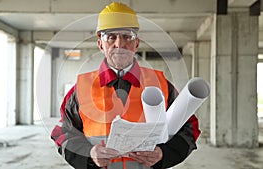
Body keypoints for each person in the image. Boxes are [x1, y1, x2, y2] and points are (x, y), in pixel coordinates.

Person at [51, 2, 200, 169]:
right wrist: (89, 154)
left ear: (136, 43)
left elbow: (190, 127)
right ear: (100, 44)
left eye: (127, 36)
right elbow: (62, 134)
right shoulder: (81, 89)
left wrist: (164, 154)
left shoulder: (161, 85)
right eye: (111, 37)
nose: (119, 44)